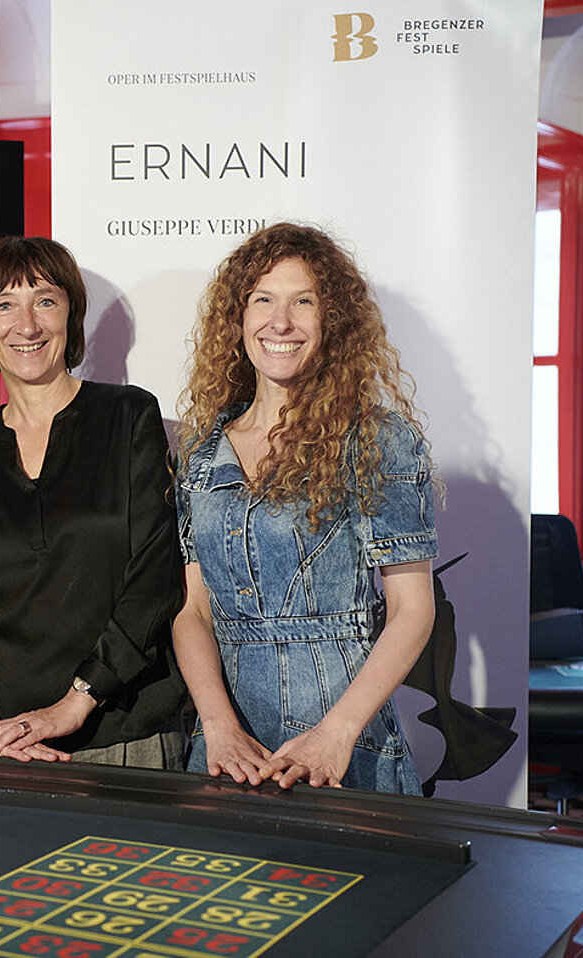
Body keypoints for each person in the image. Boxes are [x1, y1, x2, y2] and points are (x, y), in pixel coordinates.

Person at [173, 222, 437, 793]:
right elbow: (194, 612)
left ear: (332, 321)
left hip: (344, 747)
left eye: (304, 302)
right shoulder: (201, 448)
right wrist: (217, 726)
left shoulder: (373, 438)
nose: (281, 321)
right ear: (237, 318)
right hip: (226, 748)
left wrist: (336, 733)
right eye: (262, 299)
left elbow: (413, 609)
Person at [0, 236, 186, 767]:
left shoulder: (129, 416)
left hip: (125, 736)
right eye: (4, 305)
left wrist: (78, 700)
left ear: (72, 314)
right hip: (4, 748)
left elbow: (157, 576)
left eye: (45, 300)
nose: (26, 325)